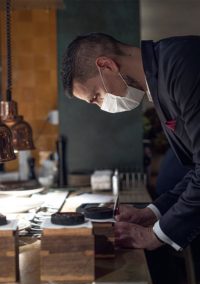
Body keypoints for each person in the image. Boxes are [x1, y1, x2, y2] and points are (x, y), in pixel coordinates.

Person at [61, 33, 200, 252]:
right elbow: (196, 168)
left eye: (95, 96)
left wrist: (154, 234)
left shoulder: (182, 63)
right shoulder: (160, 82)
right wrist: (151, 213)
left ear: (106, 65)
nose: (101, 106)